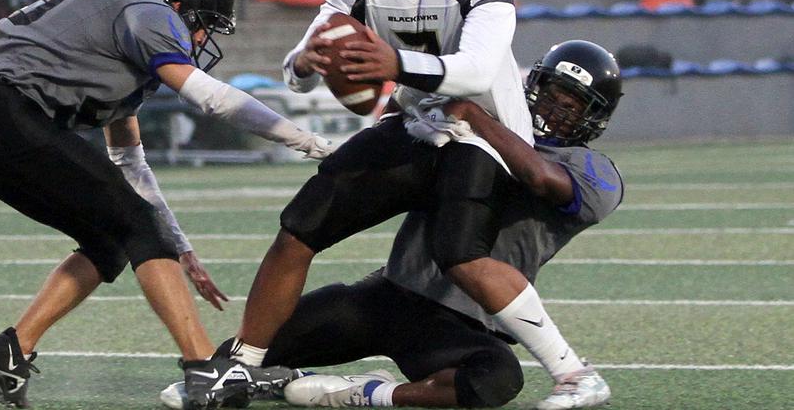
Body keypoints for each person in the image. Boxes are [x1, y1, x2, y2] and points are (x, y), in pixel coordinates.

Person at [180, 0, 538, 407]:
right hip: (418, 129)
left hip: (485, 140)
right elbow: (302, 66)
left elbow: (473, 72)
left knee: (457, 268)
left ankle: (568, 370)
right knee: (302, 222)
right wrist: (303, 62)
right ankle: (243, 364)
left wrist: (393, 65)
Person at [0, 0, 331, 408]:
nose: (201, 38)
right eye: (202, 23)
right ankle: (204, 368)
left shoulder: (114, 24)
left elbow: (130, 163)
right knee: (138, 227)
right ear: (179, 3)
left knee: (111, 241)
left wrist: (178, 246)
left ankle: (12, 349)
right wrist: (305, 139)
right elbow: (211, 97)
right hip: (8, 113)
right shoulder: (145, 8)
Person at [163, 40, 624, 410]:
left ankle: (369, 393)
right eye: (552, 93)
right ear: (533, 85)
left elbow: (540, 178)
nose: (555, 108)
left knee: (495, 380)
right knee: (243, 354)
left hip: (462, 322)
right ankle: (276, 377)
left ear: (594, 118)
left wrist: (475, 116)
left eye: (573, 104)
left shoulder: (594, 171)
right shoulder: (476, 126)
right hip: (388, 294)